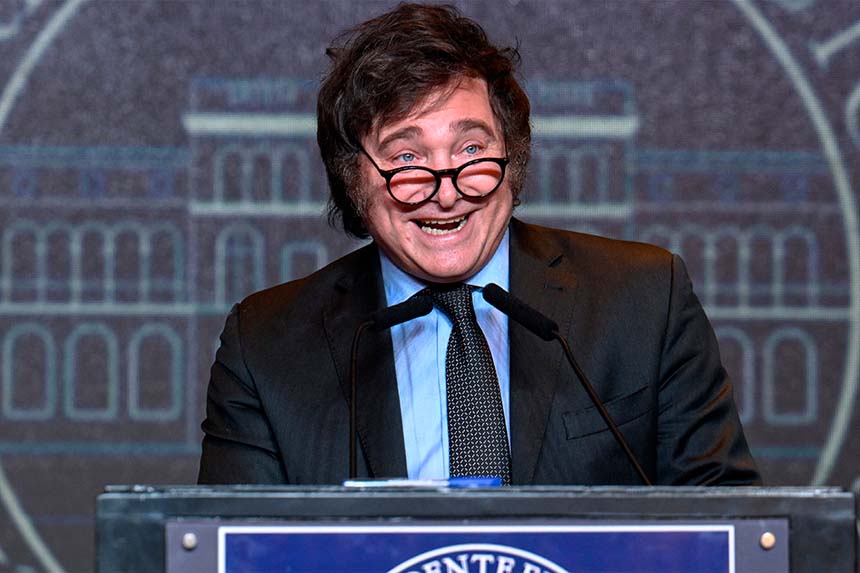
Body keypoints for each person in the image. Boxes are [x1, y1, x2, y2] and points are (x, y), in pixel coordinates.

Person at [198, 3, 760, 486]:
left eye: (471, 150)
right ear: (353, 180)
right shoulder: (265, 348)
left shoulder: (645, 301)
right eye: (406, 158)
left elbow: (729, 526)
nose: (447, 192)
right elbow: (233, 547)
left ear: (513, 160)